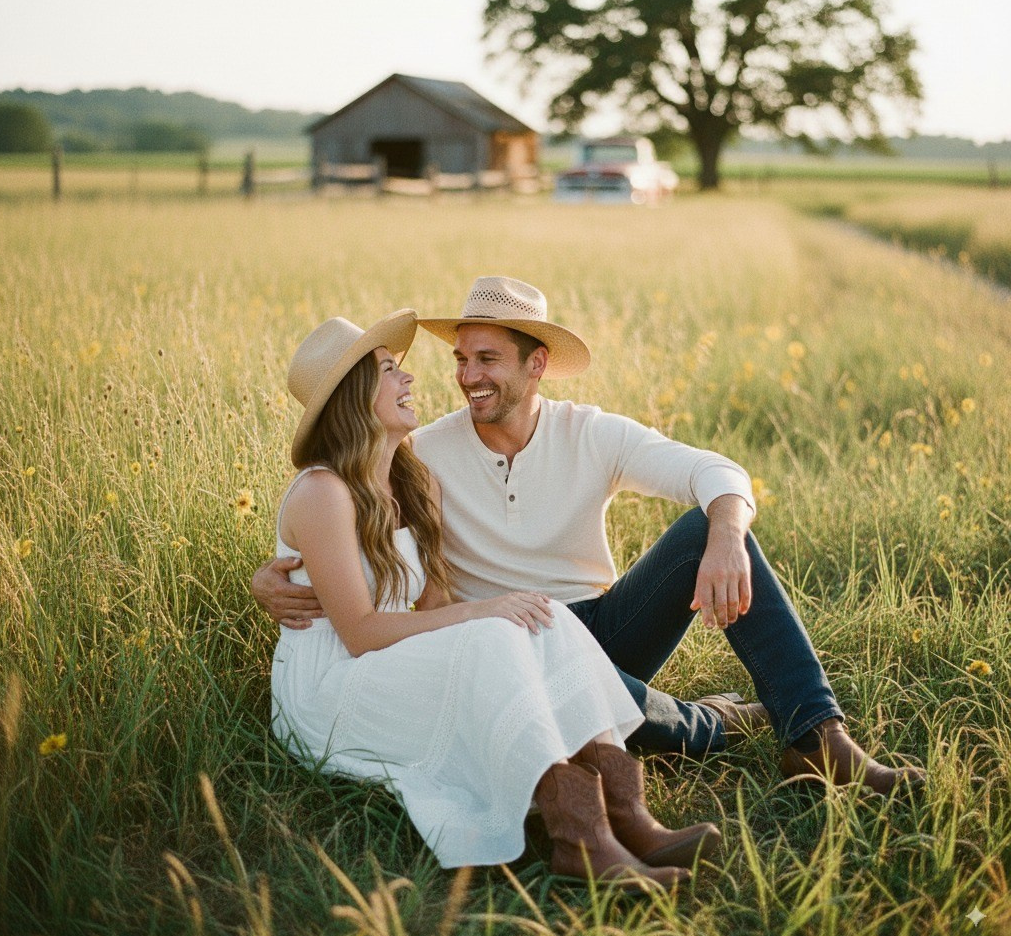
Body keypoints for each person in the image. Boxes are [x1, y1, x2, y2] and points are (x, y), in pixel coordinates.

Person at [257, 278, 926, 796]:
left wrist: (725, 531)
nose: (467, 376)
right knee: (647, 729)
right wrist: (268, 577)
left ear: (536, 363)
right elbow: (344, 528)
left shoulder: (593, 432)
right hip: (507, 646)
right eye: (461, 359)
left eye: (488, 359)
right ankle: (716, 719)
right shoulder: (419, 454)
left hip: (603, 624)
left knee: (708, 524)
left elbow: (711, 470)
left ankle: (818, 736)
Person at [269, 307, 722, 884]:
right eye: (388, 370)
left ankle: (626, 816)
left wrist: (495, 618)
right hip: (331, 684)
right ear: (355, 396)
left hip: (386, 659)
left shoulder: (413, 480)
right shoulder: (323, 494)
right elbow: (358, 632)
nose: (409, 378)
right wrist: (484, 613)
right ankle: (578, 839)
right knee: (491, 629)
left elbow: (432, 608)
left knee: (544, 617)